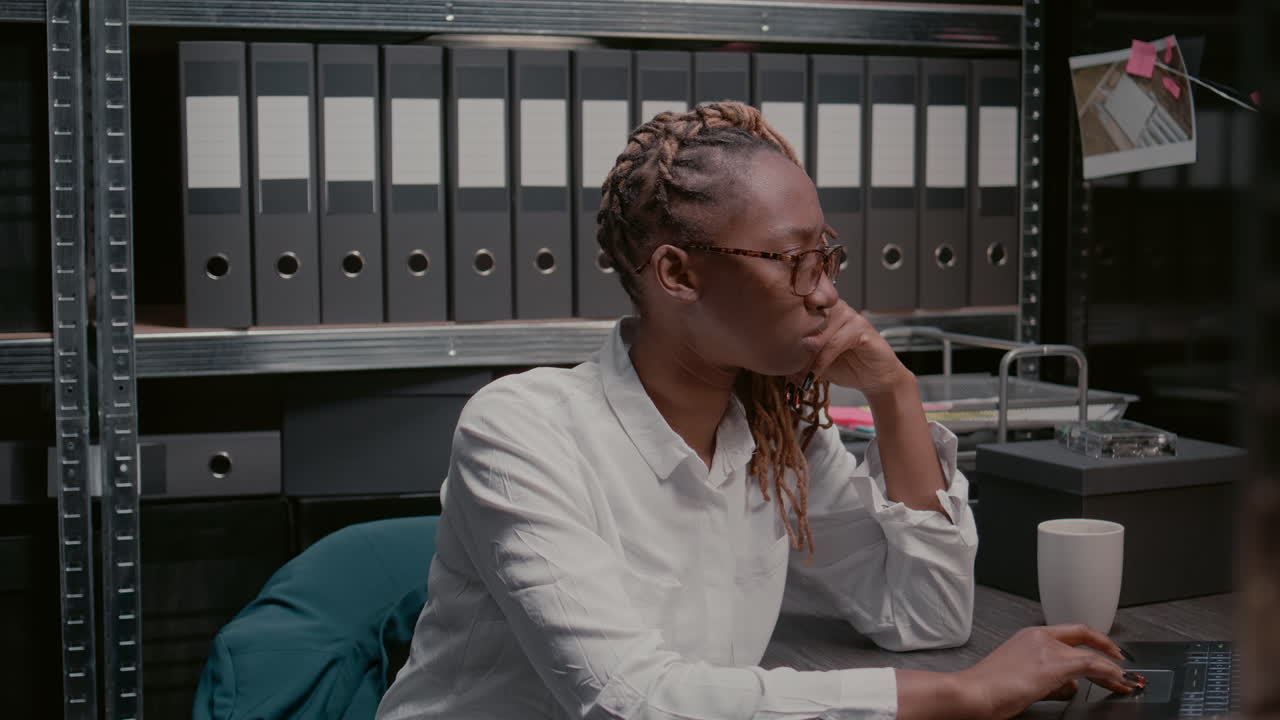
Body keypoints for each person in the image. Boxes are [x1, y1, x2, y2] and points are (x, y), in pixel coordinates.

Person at [376, 102, 1141, 720]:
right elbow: (631, 701)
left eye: (827, 255)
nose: (826, 291)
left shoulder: (776, 437)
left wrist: (894, 393)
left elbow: (927, 616)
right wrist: (961, 693)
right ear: (677, 273)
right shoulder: (521, 430)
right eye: (792, 259)